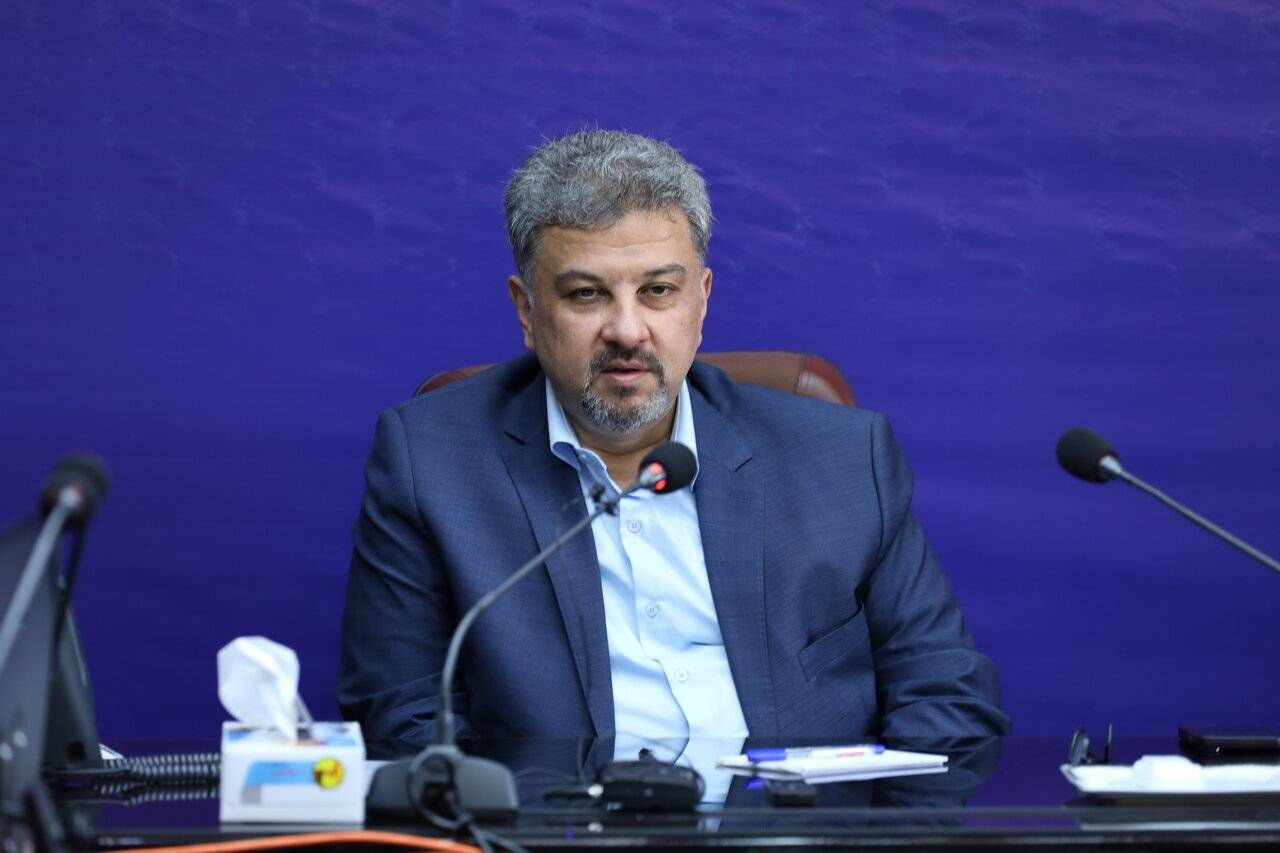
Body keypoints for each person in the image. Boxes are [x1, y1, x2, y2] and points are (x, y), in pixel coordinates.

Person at [338, 130, 1010, 754]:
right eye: (586, 294)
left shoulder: (844, 459)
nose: (628, 330)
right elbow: (402, 718)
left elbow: (948, 699)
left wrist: (869, 831)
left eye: (658, 290)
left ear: (701, 300)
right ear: (527, 310)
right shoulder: (431, 462)